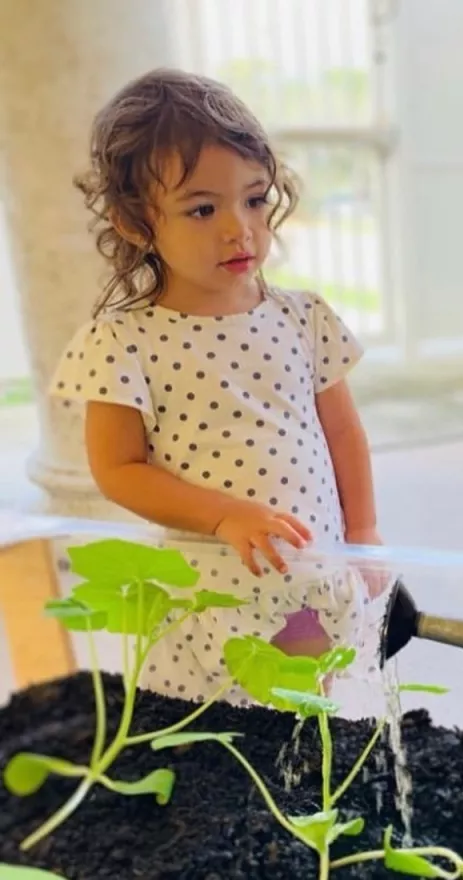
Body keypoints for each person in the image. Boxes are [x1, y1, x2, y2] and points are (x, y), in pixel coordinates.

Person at [50, 68, 382, 702]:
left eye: (254, 199)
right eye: (202, 209)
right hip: (211, 583)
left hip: (313, 571)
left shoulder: (301, 316)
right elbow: (117, 468)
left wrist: (363, 533)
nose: (240, 229)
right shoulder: (124, 340)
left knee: (309, 721)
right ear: (134, 223)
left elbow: (343, 433)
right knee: (212, 742)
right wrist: (223, 514)